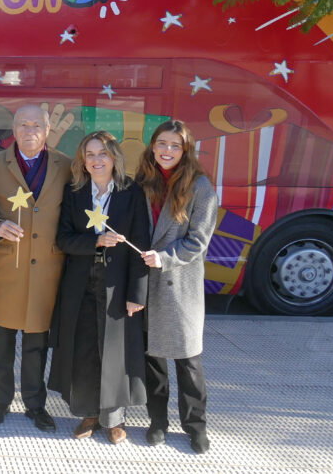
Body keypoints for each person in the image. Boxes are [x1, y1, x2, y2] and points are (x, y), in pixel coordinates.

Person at [48, 131, 150, 445]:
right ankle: (89, 413)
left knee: (116, 351)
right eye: (90, 154)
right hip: (81, 284)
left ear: (114, 157)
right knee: (85, 349)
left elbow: (140, 243)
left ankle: (114, 418)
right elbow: (63, 239)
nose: (96, 160)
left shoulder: (130, 192)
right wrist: (95, 241)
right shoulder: (76, 191)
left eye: (102, 154)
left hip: (117, 285)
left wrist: (137, 293)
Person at [0, 105, 71, 431]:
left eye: (37, 125)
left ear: (47, 131)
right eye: (23, 125)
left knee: (36, 345)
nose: (30, 131)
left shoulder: (66, 166)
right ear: (14, 130)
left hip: (47, 270)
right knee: (1, 344)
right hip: (8, 269)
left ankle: (35, 404)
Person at [136, 120, 218, 454]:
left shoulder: (201, 186)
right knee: (152, 360)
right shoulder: (142, 182)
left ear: (185, 151)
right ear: (152, 146)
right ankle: (157, 423)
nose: (167, 151)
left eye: (175, 145)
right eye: (162, 144)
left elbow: (199, 240)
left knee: (188, 360)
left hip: (179, 283)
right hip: (146, 281)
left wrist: (165, 258)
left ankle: (196, 426)